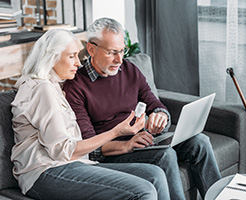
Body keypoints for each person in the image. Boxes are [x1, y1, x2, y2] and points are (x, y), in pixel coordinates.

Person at [64, 17, 222, 199]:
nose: (119, 59)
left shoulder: (130, 70)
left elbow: (156, 104)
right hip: (115, 152)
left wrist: (160, 115)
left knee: (200, 142)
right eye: (112, 52)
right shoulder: (75, 86)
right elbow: (89, 148)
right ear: (91, 49)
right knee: (165, 155)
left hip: (144, 141)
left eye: (122, 51)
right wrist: (126, 145)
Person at [10, 29, 171, 200]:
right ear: (52, 57)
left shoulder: (55, 87)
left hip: (76, 164)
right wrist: (117, 132)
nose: (78, 63)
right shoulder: (42, 89)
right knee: (143, 190)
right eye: (71, 56)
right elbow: (64, 151)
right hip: (45, 172)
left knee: (154, 174)